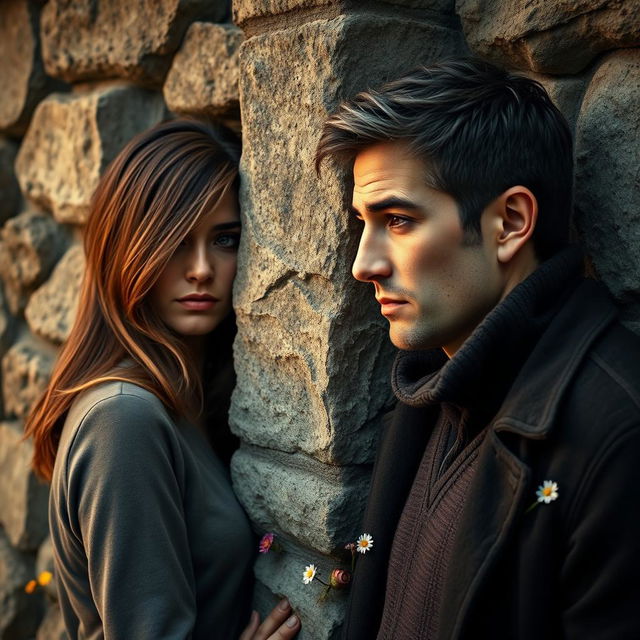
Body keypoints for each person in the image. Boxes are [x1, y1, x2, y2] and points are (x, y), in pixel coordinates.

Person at [315, 58, 640, 639]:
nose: (364, 264)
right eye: (364, 222)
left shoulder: (616, 437)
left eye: (399, 220)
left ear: (510, 222)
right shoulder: (427, 394)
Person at [25, 119, 300, 640]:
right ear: (125, 247)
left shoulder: (185, 400)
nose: (200, 269)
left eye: (224, 238)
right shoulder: (124, 418)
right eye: (174, 239)